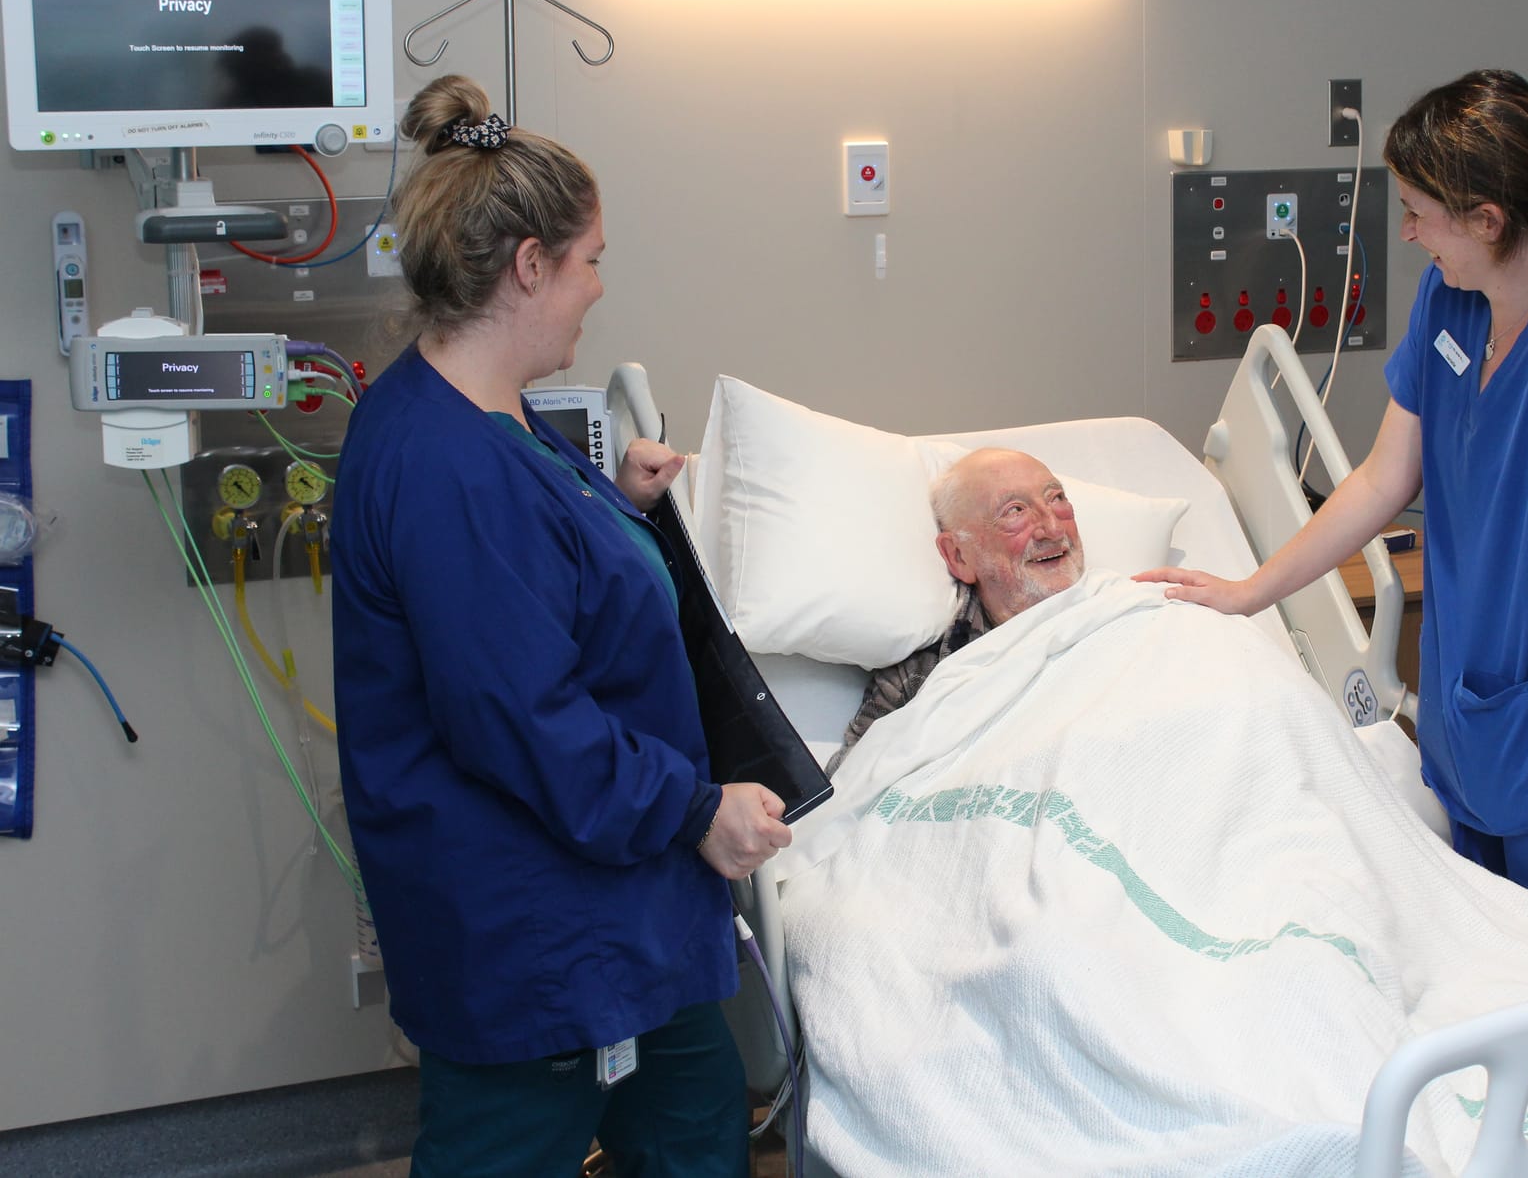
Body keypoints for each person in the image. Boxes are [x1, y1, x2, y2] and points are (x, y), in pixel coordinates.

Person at [331, 75, 791, 1178]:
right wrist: (696, 810)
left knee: (695, 1121)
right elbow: (520, 720)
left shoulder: (477, 411)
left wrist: (615, 505)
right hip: (538, 927)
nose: (598, 286)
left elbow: (530, 582)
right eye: (589, 259)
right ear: (528, 265)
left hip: (614, 903)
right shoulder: (448, 467)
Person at [1140, 69, 1528, 935]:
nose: (1406, 232)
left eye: (1417, 212)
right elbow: (1381, 478)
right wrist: (1249, 592)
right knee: (1491, 985)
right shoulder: (1453, 301)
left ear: (1487, 220)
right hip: (1483, 741)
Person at [836, 447, 1086, 760]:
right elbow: (856, 779)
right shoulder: (921, 678)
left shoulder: (1133, 606)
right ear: (958, 556)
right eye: (1015, 510)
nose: (1053, 528)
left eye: (1056, 498)